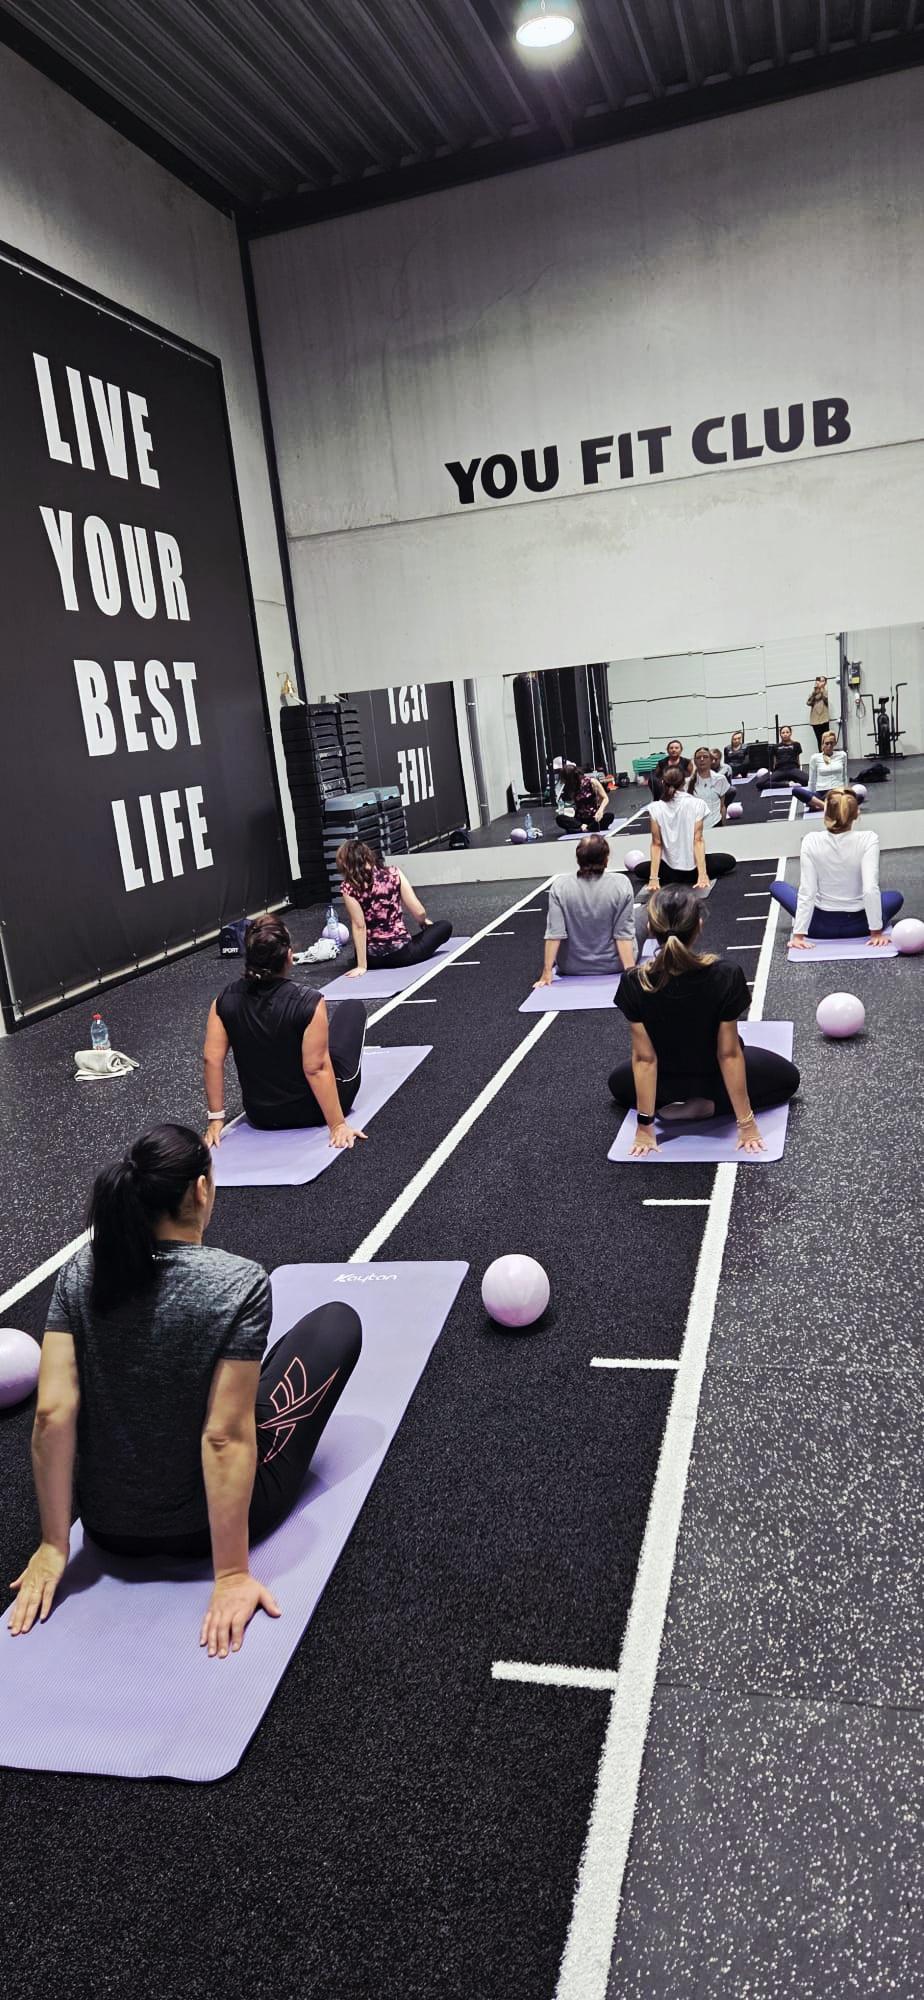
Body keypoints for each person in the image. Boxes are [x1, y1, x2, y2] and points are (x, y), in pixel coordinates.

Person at [7, 1125, 362, 1656]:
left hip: (107, 1527)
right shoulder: (239, 1282)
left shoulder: (82, 1271)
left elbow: (52, 1414)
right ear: (200, 1189)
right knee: (336, 1323)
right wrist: (232, 1574)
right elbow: (223, 1437)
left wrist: (54, 1545)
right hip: (203, 1531)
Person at [608, 890, 800, 1155]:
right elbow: (728, 1054)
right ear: (698, 925)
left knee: (618, 1084)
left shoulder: (634, 981)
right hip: (714, 1078)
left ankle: (689, 1103)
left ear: (651, 929)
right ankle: (709, 1105)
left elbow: (645, 1060)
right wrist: (746, 1124)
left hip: (667, 1082)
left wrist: (645, 1127)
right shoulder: (726, 974)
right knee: (789, 1079)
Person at [203, 915, 366, 1149]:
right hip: (313, 1112)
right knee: (352, 1008)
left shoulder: (222, 1001)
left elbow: (212, 1060)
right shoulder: (310, 1001)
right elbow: (316, 1068)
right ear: (289, 956)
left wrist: (216, 1120)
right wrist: (338, 1125)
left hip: (261, 1116)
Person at [769, 788, 903, 944]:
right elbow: (869, 889)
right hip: (860, 926)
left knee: (777, 886)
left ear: (825, 813)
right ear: (857, 814)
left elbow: (808, 891)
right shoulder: (869, 839)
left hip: (817, 928)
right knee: (895, 897)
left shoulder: (810, 840)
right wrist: (875, 933)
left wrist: (798, 935)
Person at [534, 834, 637, 985]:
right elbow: (623, 934)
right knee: (642, 915)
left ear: (578, 859)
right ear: (606, 859)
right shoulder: (622, 883)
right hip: (614, 965)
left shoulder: (560, 886)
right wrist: (630, 974)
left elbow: (554, 933)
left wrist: (547, 971)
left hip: (571, 967)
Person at [336, 841, 453, 971]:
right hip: (402, 954)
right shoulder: (393, 873)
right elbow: (419, 912)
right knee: (444, 926)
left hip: (372, 959)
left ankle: (363, 961)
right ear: (368, 855)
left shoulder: (348, 887)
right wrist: (423, 921)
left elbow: (359, 926)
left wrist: (362, 966)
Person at [629, 764, 736, 888]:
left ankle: (672, 877)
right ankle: (691, 875)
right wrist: (702, 875)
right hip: (693, 872)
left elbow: (656, 844)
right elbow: (698, 841)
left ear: (663, 782)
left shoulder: (655, 807)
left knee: (639, 869)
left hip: (668, 872)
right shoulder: (698, 804)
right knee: (729, 860)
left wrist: (653, 878)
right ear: (684, 782)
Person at [790, 730, 848, 812]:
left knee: (860, 790)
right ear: (822, 743)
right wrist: (810, 798)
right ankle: (826, 806)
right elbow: (812, 780)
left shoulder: (842, 755)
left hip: (838, 791)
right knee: (796, 790)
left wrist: (846, 792)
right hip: (821, 793)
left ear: (835, 743)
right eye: (827, 743)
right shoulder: (815, 758)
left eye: (831, 743)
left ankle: (821, 805)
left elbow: (844, 775)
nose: (829, 746)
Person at [555, 763, 614, 832]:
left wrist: (600, 811)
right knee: (560, 819)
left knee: (609, 816)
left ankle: (584, 828)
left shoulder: (592, 782)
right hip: (580, 819)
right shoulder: (570, 787)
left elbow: (605, 798)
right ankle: (585, 827)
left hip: (593, 816)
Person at [688, 746, 731, 826]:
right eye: (698, 758)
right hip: (695, 826)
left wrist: (724, 828)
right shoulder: (688, 782)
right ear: (695, 761)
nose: (702, 759)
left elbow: (722, 807)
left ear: (711, 760)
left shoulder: (720, 779)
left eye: (705, 757)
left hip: (715, 824)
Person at [755, 725, 805, 792]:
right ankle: (787, 784)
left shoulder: (796, 744)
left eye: (787, 732)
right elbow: (774, 761)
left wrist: (799, 771)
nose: (785, 734)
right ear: (780, 734)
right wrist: (772, 772)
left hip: (793, 769)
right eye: (783, 733)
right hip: (780, 770)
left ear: (790, 733)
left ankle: (792, 780)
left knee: (807, 781)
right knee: (760, 783)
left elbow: (798, 759)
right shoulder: (775, 746)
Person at [806, 675, 830, 750]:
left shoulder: (827, 692)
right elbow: (808, 703)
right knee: (819, 739)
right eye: (819, 681)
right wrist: (814, 693)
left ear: (825, 683)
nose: (820, 683)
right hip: (815, 720)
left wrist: (822, 691)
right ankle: (821, 754)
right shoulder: (814, 693)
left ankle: (827, 753)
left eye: (822, 681)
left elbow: (827, 702)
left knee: (826, 738)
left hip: (824, 719)